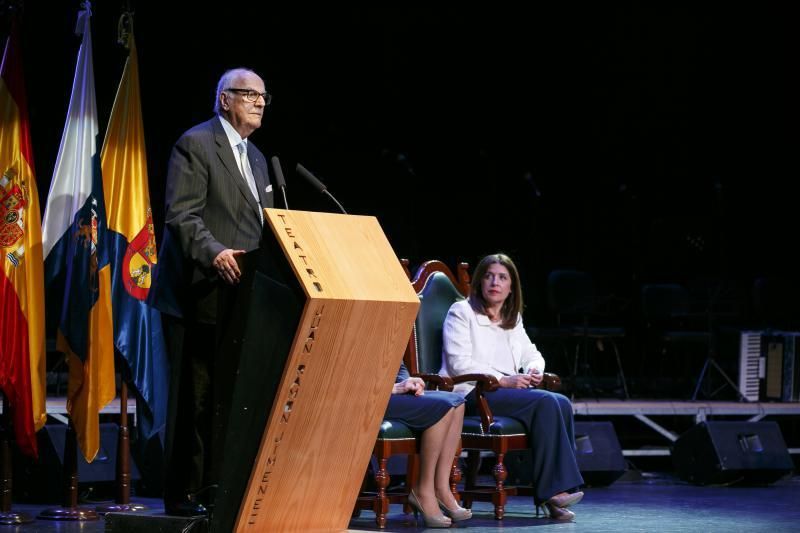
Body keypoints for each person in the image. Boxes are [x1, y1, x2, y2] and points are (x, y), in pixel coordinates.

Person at [158, 67, 274, 516]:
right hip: (201, 292)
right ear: (225, 99)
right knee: (196, 397)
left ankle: (219, 488)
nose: (260, 102)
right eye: (250, 94)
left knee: (230, 397)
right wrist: (216, 252)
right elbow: (182, 215)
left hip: (244, 298)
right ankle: (184, 492)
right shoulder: (197, 143)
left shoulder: (259, 158)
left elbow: (261, 226)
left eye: (264, 96)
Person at [441, 253, 585, 520]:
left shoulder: (511, 317)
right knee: (546, 402)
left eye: (502, 277)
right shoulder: (461, 312)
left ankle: (554, 494)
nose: (495, 282)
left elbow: (532, 353)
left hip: (506, 392)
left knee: (560, 401)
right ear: (480, 282)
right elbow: (459, 364)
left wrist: (534, 371)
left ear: (511, 287)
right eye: (489, 276)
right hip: (474, 392)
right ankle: (553, 493)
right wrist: (503, 380)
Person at [384, 363, 470, 528]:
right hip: (366, 395)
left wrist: (407, 382)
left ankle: (440, 488)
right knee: (441, 407)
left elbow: (397, 364)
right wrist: (393, 387)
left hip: (392, 392)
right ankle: (423, 490)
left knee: (457, 402)